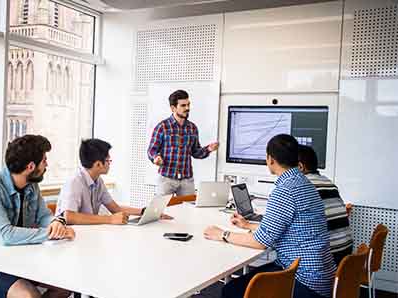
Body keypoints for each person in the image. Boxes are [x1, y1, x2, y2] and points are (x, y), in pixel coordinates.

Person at [204, 134, 336, 298]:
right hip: (321, 275)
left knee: (231, 290)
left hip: (304, 281)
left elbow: (260, 242)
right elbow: (284, 228)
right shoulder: (305, 183)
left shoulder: (284, 190)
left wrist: (222, 234)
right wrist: (248, 225)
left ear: (270, 159)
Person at [0, 135, 75, 298]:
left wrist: (57, 223)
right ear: (31, 166)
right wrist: (52, 233)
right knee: (28, 296)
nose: (47, 165)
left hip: (19, 258)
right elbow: (6, 235)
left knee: (65, 285)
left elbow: (44, 216)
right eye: (44, 160)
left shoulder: (31, 185)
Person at [56, 138, 172, 224]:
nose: (110, 163)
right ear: (98, 164)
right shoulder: (74, 182)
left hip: (88, 235)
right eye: (108, 160)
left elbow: (115, 209)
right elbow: (69, 216)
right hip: (71, 239)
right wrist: (109, 219)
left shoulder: (98, 181)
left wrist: (144, 212)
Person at [147, 89, 218, 196]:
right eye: (183, 105)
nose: (187, 108)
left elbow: (195, 152)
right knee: (162, 210)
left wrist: (208, 149)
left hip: (187, 180)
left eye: (188, 105)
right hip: (166, 179)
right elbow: (152, 150)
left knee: (188, 210)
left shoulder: (192, 128)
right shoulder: (162, 127)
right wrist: (155, 158)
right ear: (173, 108)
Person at [298, 144, 353, 265]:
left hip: (326, 260)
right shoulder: (328, 182)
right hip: (345, 258)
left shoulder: (303, 186)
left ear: (300, 166)